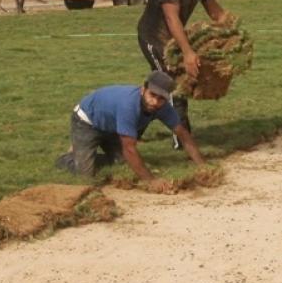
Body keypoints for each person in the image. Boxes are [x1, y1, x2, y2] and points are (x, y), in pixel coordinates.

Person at [136, 0, 226, 149]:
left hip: (172, 39)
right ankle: (183, 142)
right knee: (174, 87)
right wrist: (187, 52)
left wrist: (232, 29)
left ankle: (131, 128)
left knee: (158, 88)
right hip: (153, 38)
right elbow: (171, 17)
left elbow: (213, 8)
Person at [55, 71, 206, 193]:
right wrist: (151, 181)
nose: (155, 102)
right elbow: (129, 148)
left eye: (161, 99)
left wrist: (202, 165)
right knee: (86, 176)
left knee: (122, 164)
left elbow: (183, 135)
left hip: (113, 126)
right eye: (152, 95)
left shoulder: (163, 107)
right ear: (143, 90)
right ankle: (67, 158)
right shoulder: (129, 106)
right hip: (87, 121)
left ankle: (85, 151)